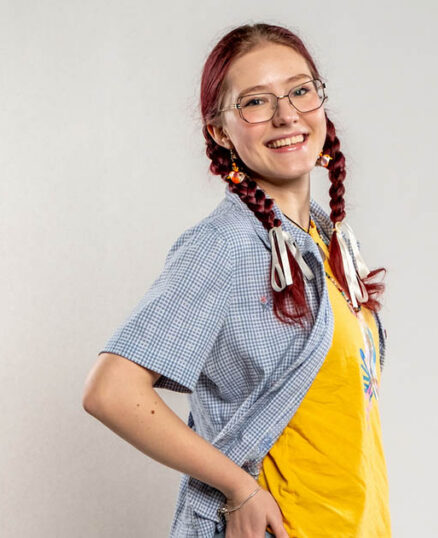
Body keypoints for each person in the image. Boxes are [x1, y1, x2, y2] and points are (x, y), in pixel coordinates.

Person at [82, 23, 391, 538]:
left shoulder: (323, 242)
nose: (286, 114)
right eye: (255, 101)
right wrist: (239, 488)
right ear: (221, 133)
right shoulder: (226, 246)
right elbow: (110, 390)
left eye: (300, 90)